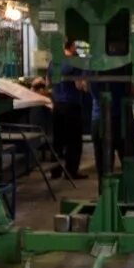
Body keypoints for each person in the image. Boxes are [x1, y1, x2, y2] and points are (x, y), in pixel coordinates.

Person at [51, 39, 90, 180]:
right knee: (73, 141)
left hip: (57, 105)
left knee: (58, 140)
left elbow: (48, 82)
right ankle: (71, 171)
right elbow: (80, 85)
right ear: (72, 46)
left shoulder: (54, 61)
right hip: (72, 105)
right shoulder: (75, 62)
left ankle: (55, 171)